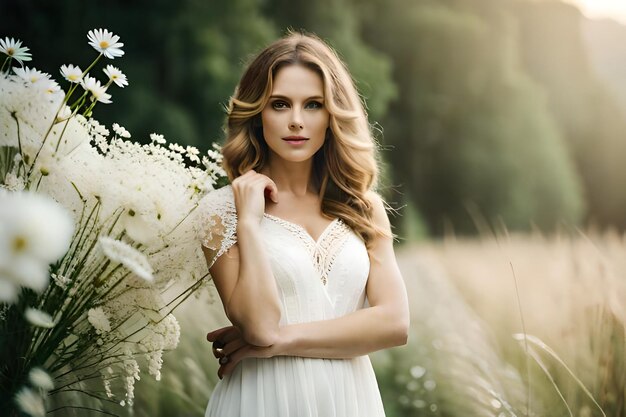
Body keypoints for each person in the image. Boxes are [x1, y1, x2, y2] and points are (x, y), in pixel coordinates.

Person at [196, 31, 410, 417]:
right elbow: (260, 326)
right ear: (258, 115)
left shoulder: (364, 208)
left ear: (332, 115)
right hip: (262, 400)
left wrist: (281, 342)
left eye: (312, 105)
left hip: (350, 401)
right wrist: (248, 222)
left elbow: (394, 323)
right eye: (280, 104)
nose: (296, 121)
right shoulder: (220, 212)